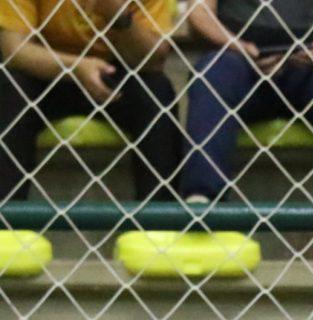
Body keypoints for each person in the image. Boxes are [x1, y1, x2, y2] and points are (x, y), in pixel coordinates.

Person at [181, 0, 313, 203]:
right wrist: (236, 45)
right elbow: (199, 12)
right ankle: (202, 201)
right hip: (238, 63)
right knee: (212, 74)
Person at [0, 0, 179, 201]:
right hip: (46, 67)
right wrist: (77, 68)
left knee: (157, 93)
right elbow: (14, 50)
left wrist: (118, 16)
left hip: (115, 67)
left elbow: (154, 61)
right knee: (10, 86)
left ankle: (158, 224)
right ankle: (5, 220)